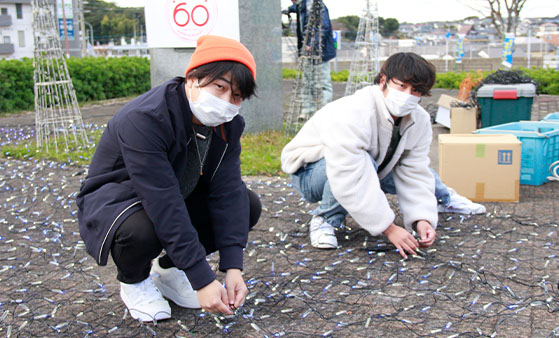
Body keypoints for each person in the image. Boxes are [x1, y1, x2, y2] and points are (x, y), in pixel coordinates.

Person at [76, 35, 261, 322]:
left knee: (246, 203)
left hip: (177, 193)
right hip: (122, 202)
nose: (226, 102)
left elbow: (227, 190)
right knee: (142, 229)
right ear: (192, 79)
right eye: (219, 87)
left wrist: (233, 268)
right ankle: (134, 281)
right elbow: (162, 201)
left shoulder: (229, 125)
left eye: (236, 96)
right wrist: (202, 278)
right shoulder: (145, 118)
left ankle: (170, 270)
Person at [281, 52, 438, 257]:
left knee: (427, 176)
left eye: (416, 90)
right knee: (365, 165)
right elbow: (348, 171)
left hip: (371, 164)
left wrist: (422, 218)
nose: (408, 94)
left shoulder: (420, 120)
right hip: (309, 172)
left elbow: (414, 170)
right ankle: (325, 219)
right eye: (402, 86)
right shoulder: (355, 111)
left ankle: (446, 198)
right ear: (384, 80)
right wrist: (388, 228)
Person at [286, 0, 336, 119]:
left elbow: (323, 27)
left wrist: (311, 44)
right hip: (306, 51)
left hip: (321, 52)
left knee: (323, 83)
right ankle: (307, 110)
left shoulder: (316, 6)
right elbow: (296, 7)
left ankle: (325, 111)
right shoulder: (301, 5)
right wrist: (288, 9)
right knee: (307, 82)